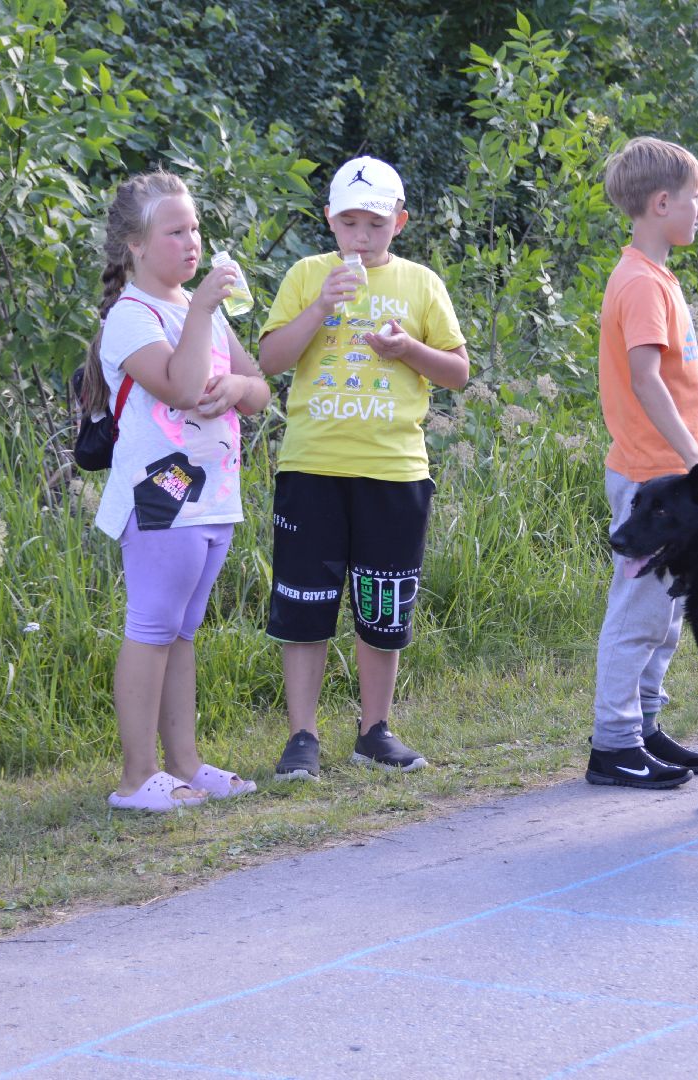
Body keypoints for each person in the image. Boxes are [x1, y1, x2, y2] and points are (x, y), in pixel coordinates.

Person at [257, 157, 468, 780]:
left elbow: (457, 372)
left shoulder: (421, 283)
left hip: (394, 469)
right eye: (348, 222)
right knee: (306, 604)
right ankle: (302, 736)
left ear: (398, 223)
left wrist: (408, 349)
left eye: (374, 222)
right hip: (312, 466)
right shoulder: (306, 275)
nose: (361, 236)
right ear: (329, 221)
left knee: (383, 602)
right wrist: (319, 307)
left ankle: (374, 729)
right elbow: (269, 358)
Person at [83, 170, 271, 812]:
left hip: (215, 496)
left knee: (182, 633)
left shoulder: (199, 312)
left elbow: (259, 387)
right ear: (135, 245)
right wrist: (203, 312)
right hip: (161, 498)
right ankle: (137, 779)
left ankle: (184, 763)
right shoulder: (132, 319)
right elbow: (183, 387)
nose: (192, 242)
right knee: (152, 628)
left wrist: (241, 391)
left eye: (195, 228)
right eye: (175, 231)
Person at [587, 136, 698, 790]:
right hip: (652, 478)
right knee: (638, 611)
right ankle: (613, 744)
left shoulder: (656, 277)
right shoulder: (639, 283)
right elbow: (646, 379)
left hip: (670, 476)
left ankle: (644, 723)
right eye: (694, 200)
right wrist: (697, 460)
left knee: (666, 612)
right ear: (661, 202)